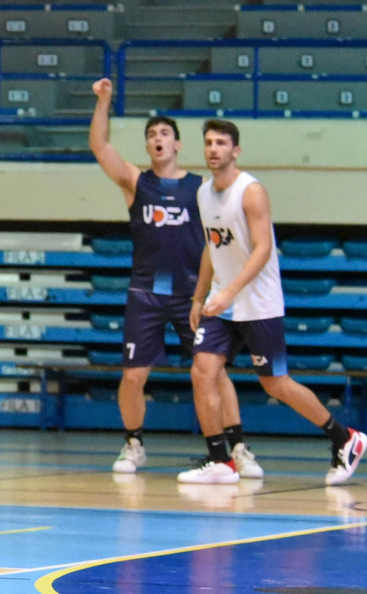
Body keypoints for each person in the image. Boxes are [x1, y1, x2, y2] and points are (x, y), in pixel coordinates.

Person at [87, 82, 261, 479]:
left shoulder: (201, 188)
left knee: (215, 373)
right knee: (133, 375)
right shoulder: (136, 182)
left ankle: (238, 448)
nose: (157, 138)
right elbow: (100, 146)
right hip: (146, 292)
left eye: (164, 133)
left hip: (192, 294)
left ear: (178, 145)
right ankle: (133, 443)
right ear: (148, 148)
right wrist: (104, 101)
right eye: (151, 135)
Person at [182, 119, 367, 486]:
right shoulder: (203, 194)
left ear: (235, 150)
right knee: (203, 370)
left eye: (221, 143)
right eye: (208, 142)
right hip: (223, 304)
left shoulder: (251, 192)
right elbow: (212, 245)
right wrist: (199, 296)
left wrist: (230, 291)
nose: (213, 149)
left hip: (258, 303)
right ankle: (221, 461)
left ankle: (345, 438)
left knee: (276, 384)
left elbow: (264, 249)